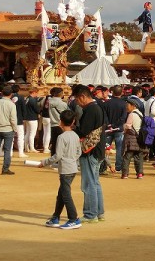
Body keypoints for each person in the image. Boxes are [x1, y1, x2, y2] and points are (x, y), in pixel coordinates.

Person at [40, 109, 82, 229]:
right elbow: (79, 151)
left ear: (60, 122)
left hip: (65, 169)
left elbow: (57, 156)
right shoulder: (75, 135)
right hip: (73, 167)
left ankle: (74, 219)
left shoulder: (62, 137)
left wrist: (44, 163)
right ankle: (55, 217)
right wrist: (72, 159)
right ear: (73, 121)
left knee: (66, 194)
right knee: (62, 194)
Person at [73, 84, 106, 223]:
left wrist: (73, 128)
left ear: (82, 97)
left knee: (88, 183)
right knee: (95, 182)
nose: (76, 102)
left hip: (90, 150)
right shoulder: (98, 107)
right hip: (98, 149)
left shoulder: (91, 110)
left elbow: (84, 131)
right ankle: (98, 212)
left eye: (76, 99)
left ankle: (90, 214)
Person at [0, 85, 18, 175]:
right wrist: (15, 129)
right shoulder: (11, 104)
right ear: (11, 94)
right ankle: (5, 168)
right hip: (8, 129)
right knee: (7, 150)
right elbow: (13, 119)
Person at [104, 85, 127, 172]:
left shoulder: (106, 103)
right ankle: (118, 166)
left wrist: (109, 125)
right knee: (119, 148)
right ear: (122, 93)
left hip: (108, 128)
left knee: (106, 147)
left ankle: (104, 165)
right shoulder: (124, 104)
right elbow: (123, 117)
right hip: (118, 128)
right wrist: (115, 125)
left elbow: (104, 115)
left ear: (112, 92)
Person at [121, 98, 144, 179]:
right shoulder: (140, 114)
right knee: (139, 157)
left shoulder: (131, 114)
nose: (126, 107)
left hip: (131, 139)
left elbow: (128, 126)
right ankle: (140, 174)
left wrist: (123, 127)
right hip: (140, 139)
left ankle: (125, 174)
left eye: (128, 105)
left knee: (127, 156)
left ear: (133, 106)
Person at [48, 87, 69, 156]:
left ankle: (53, 158)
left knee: (54, 142)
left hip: (52, 124)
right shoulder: (63, 104)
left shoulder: (49, 101)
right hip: (60, 125)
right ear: (61, 94)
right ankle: (59, 158)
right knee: (61, 143)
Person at [23, 88, 41, 153]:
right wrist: (39, 111)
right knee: (32, 134)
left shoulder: (27, 99)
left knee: (27, 133)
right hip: (32, 118)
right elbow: (37, 110)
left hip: (27, 117)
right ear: (34, 92)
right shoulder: (32, 100)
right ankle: (32, 148)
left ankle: (26, 147)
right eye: (36, 93)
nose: (37, 94)